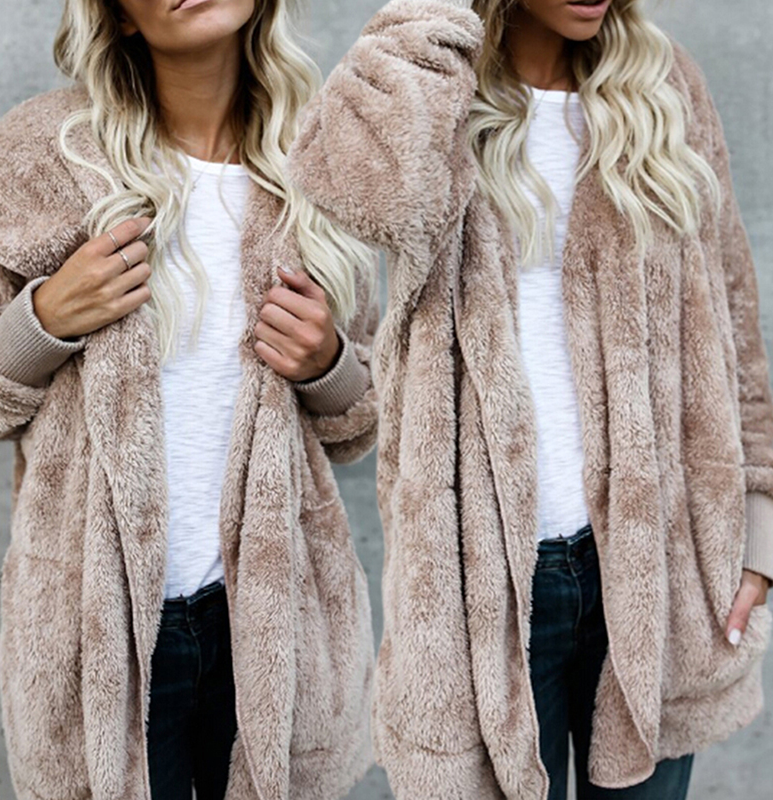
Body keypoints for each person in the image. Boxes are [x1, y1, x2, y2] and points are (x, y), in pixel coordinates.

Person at [286, 0, 773, 798]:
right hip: (485, 586)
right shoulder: (436, 95)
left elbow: (732, 320)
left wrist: (759, 531)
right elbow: (351, 190)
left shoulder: (663, 87)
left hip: (655, 566)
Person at [0, 1, 379, 798]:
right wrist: (44, 318)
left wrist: (327, 364)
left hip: (275, 619)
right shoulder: (41, 157)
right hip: (99, 629)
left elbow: (359, 423)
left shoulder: (321, 164)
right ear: (119, 17)